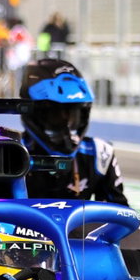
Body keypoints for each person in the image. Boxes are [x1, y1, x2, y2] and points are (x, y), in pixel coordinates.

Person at [15, 58, 127, 204]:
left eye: (73, 115)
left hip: (77, 227)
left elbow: (120, 217)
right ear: (34, 114)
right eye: (56, 115)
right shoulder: (11, 153)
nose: (66, 124)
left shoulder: (100, 154)